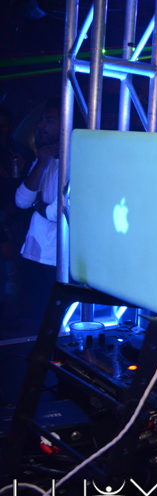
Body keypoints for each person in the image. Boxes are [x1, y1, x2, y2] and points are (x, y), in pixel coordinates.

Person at [14, 97, 61, 326]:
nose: (41, 125)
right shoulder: (45, 159)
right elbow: (22, 201)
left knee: (56, 320)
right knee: (37, 319)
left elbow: (58, 213)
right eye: (42, 119)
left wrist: (39, 205)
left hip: (59, 256)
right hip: (35, 251)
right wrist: (41, 163)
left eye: (48, 120)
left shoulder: (78, 160)